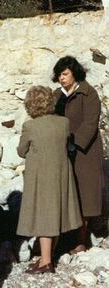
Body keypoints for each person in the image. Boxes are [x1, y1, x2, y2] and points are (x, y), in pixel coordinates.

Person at [16, 86, 82, 274]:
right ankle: (49, 257)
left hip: (41, 175)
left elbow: (21, 151)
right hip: (61, 173)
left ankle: (46, 262)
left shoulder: (30, 126)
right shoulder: (64, 123)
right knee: (56, 213)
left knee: (45, 217)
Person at [52, 56, 103, 254]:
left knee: (84, 195)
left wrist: (75, 143)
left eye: (65, 74)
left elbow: (91, 123)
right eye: (59, 75)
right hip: (61, 150)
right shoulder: (56, 95)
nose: (61, 78)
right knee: (64, 194)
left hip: (84, 152)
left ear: (75, 73)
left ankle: (81, 240)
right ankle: (64, 240)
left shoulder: (88, 93)